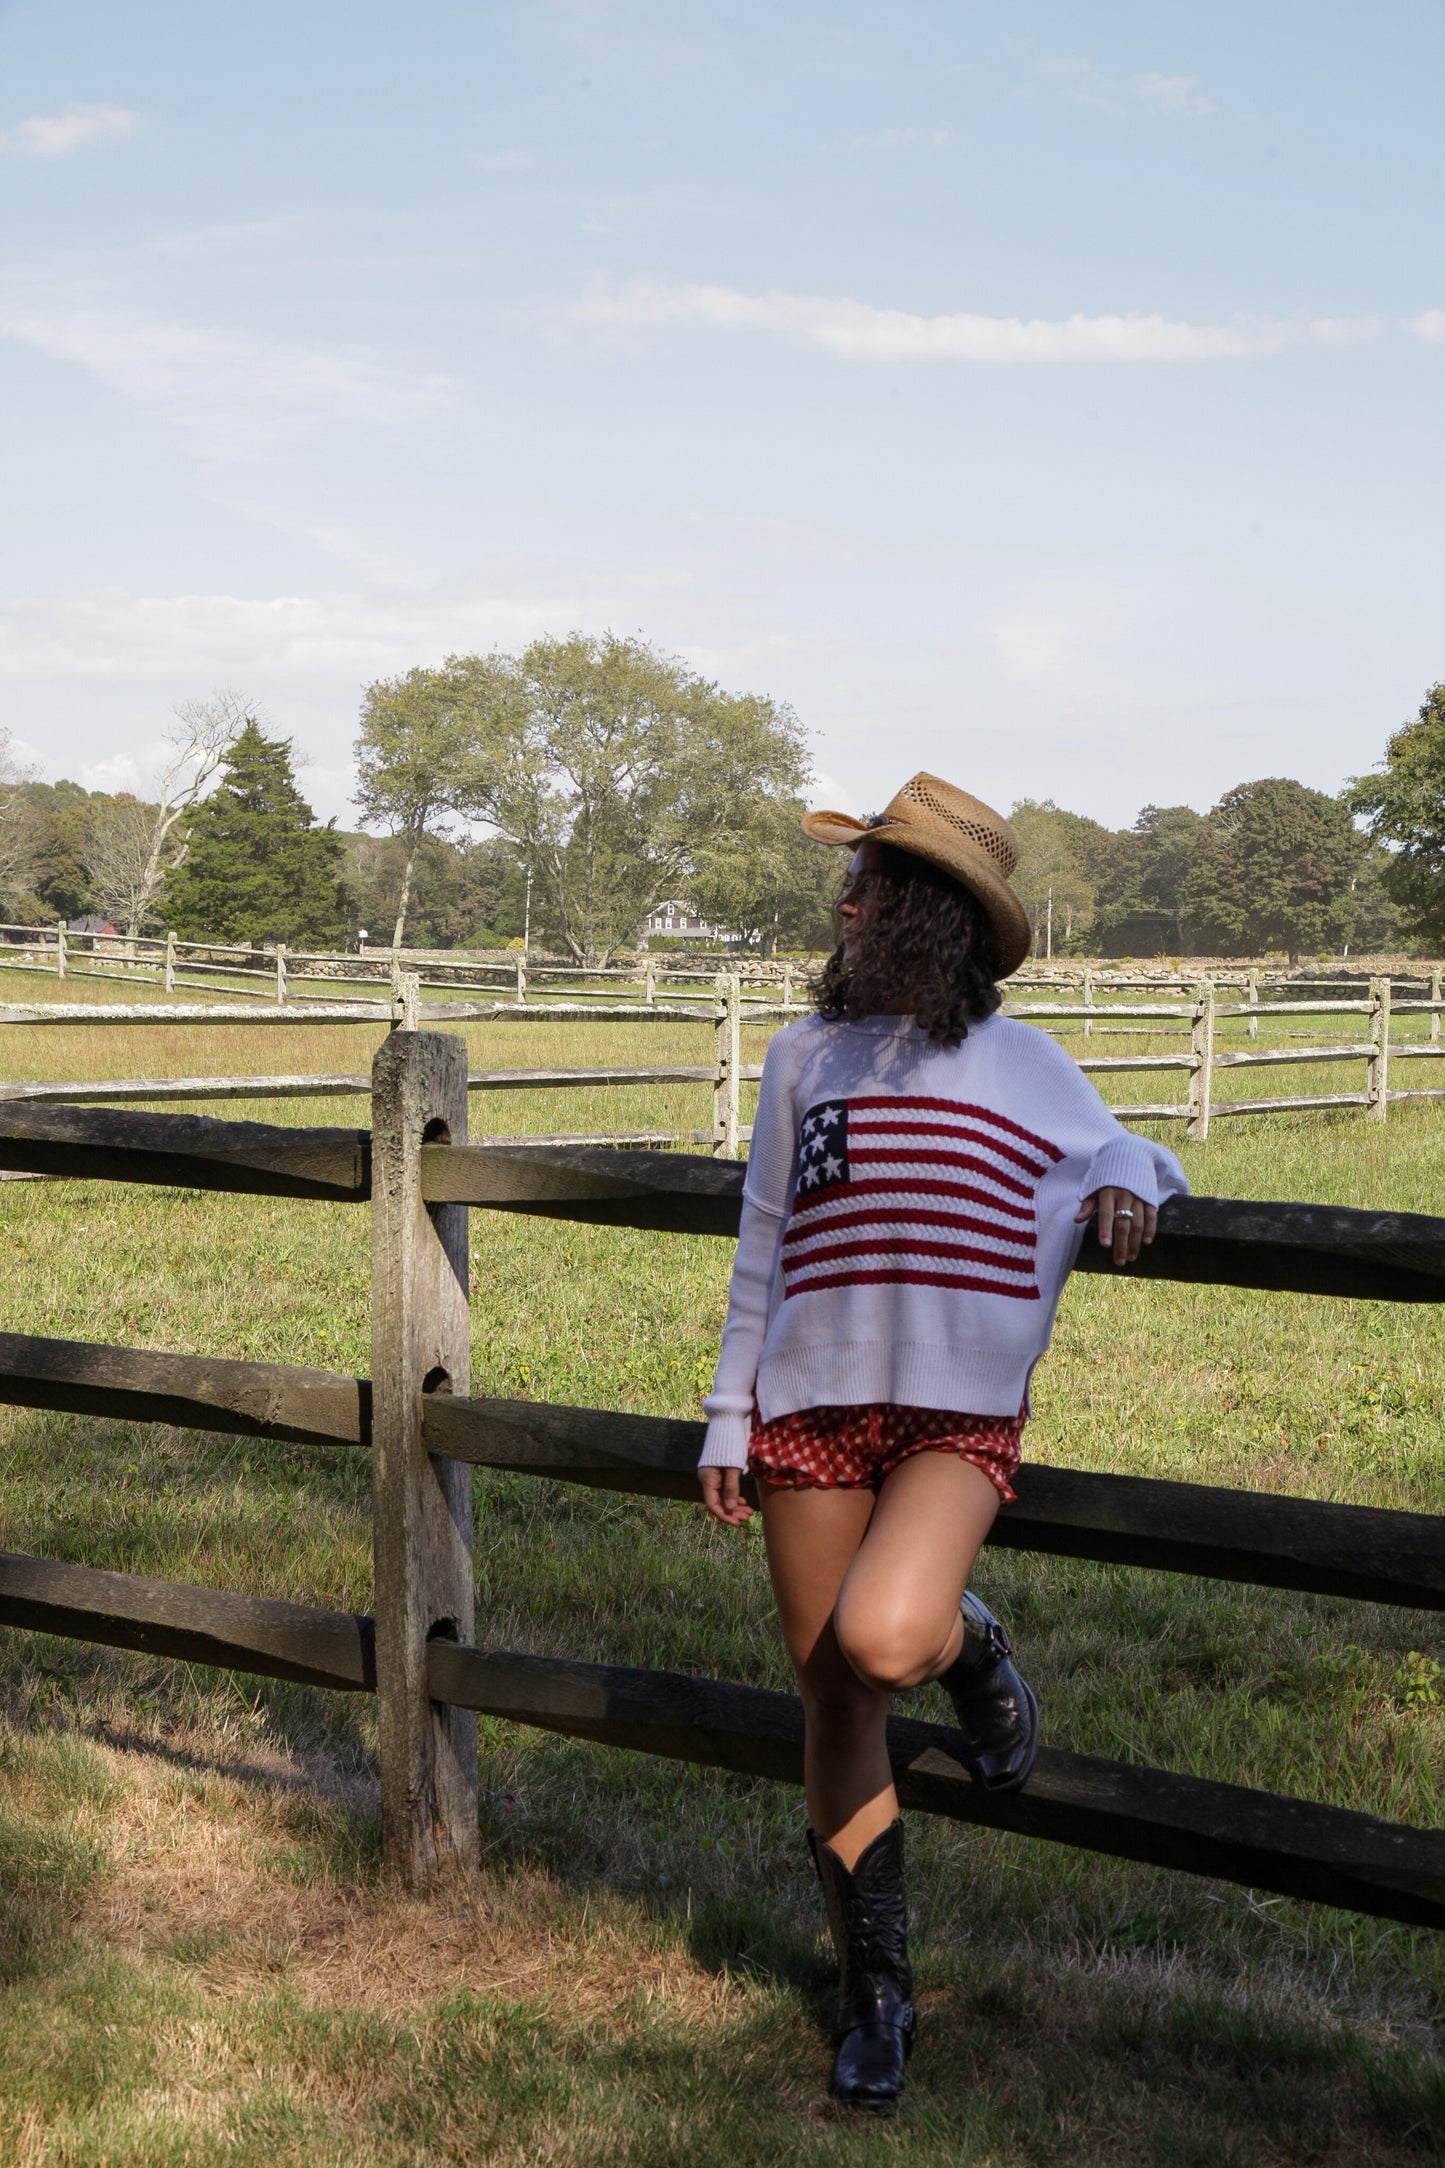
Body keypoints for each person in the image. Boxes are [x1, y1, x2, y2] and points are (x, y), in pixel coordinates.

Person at [697, 773, 1188, 2110]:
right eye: (848, 892)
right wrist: (726, 1410)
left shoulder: (1020, 1062)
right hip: (807, 1398)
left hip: (953, 1414)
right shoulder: (805, 1057)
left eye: (870, 892)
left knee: (887, 1639)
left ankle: (972, 1645)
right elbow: (764, 1237)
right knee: (836, 1699)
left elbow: (1128, 1153)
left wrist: (1126, 1182)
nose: (844, 912)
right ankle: (875, 1993)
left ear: (931, 916)